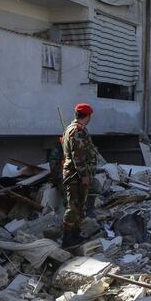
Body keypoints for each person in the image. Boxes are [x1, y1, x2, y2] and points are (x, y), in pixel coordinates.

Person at [60, 103, 98, 248]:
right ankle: (67, 238)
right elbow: (79, 156)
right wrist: (84, 175)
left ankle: (74, 234)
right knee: (73, 206)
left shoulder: (71, 129)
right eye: (89, 116)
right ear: (87, 116)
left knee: (79, 205)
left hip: (76, 174)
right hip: (76, 175)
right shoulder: (77, 131)